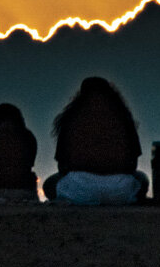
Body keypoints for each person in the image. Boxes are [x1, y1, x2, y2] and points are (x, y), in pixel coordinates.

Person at [44, 76, 148, 204]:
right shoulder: (123, 117)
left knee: (49, 184)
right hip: (120, 190)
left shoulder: (71, 118)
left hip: (78, 190)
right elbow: (133, 163)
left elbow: (62, 165)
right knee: (143, 179)